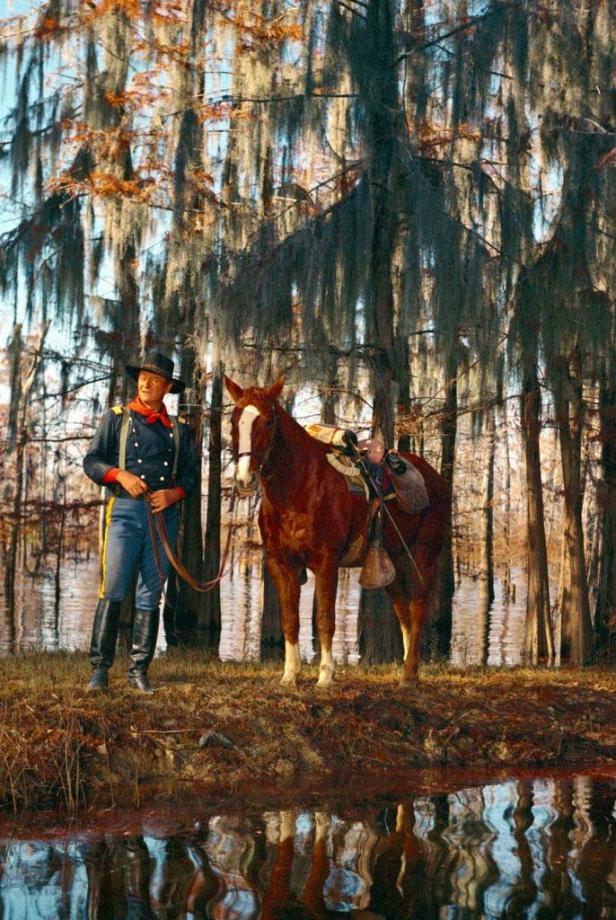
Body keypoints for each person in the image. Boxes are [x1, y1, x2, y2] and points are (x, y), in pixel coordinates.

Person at [83, 351, 199, 693]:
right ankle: (99, 672)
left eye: (155, 380)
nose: (146, 383)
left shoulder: (179, 431)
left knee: (150, 594)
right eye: (143, 378)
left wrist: (174, 494)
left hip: (164, 517)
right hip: (124, 512)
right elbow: (92, 462)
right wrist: (120, 475)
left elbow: (191, 476)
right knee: (114, 588)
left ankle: (138, 672)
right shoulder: (116, 419)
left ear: (167, 388)